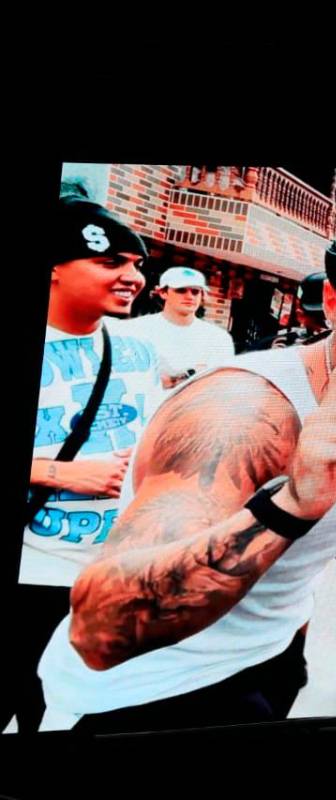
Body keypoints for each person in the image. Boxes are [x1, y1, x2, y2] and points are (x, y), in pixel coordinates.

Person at [37, 205, 336, 732]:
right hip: (149, 695)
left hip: (269, 662)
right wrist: (290, 506)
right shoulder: (239, 410)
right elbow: (100, 629)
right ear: (334, 305)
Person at [6, 197, 161, 733]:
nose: (131, 277)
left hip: (107, 579)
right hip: (28, 574)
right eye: (109, 262)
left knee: (63, 723)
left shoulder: (138, 353)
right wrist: (56, 472)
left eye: (136, 264)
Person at [123, 266, 234, 389]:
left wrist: (172, 380)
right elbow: (128, 378)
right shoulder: (138, 329)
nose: (190, 296)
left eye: (195, 291)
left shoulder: (218, 338)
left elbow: (220, 384)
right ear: (163, 292)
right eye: (181, 290)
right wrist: (190, 376)